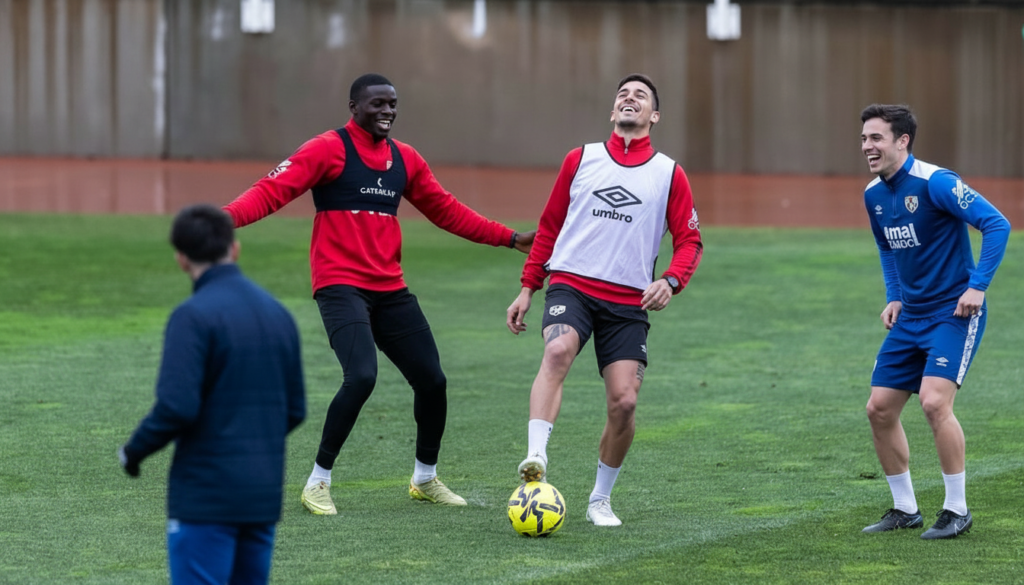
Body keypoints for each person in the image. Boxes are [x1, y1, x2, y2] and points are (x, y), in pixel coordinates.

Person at [224, 73, 534, 515]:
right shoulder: (326, 149)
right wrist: (224, 219)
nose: (387, 110)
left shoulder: (405, 159)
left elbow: (446, 210)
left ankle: (425, 478)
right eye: (377, 104)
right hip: (339, 286)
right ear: (354, 107)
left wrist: (509, 238)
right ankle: (318, 482)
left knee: (433, 380)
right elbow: (271, 192)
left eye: (392, 103)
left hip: (389, 288)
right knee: (362, 376)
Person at [506, 74, 703, 527]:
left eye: (641, 96)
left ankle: (599, 499)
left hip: (627, 302)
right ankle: (536, 458)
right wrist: (527, 286)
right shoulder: (580, 159)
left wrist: (671, 281)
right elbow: (549, 226)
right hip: (571, 284)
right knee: (557, 350)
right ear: (614, 112)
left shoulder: (669, 173)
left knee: (625, 403)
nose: (629, 99)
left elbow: (690, 240)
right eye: (622, 95)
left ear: (654, 116)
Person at [118, 204, 306, 584]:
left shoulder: (192, 316)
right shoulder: (278, 314)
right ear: (234, 249)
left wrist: (133, 452)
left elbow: (176, 407)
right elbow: (295, 409)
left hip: (206, 496)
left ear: (181, 259)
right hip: (262, 495)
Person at [859, 104, 1010, 539]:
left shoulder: (937, 182)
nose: (867, 146)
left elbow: (996, 224)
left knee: (933, 402)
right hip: (911, 317)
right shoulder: (873, 194)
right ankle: (905, 509)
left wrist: (977, 285)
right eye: (864, 138)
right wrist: (894, 296)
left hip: (954, 313)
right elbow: (888, 249)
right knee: (879, 408)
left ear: (902, 141)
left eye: (876, 138)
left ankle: (956, 510)